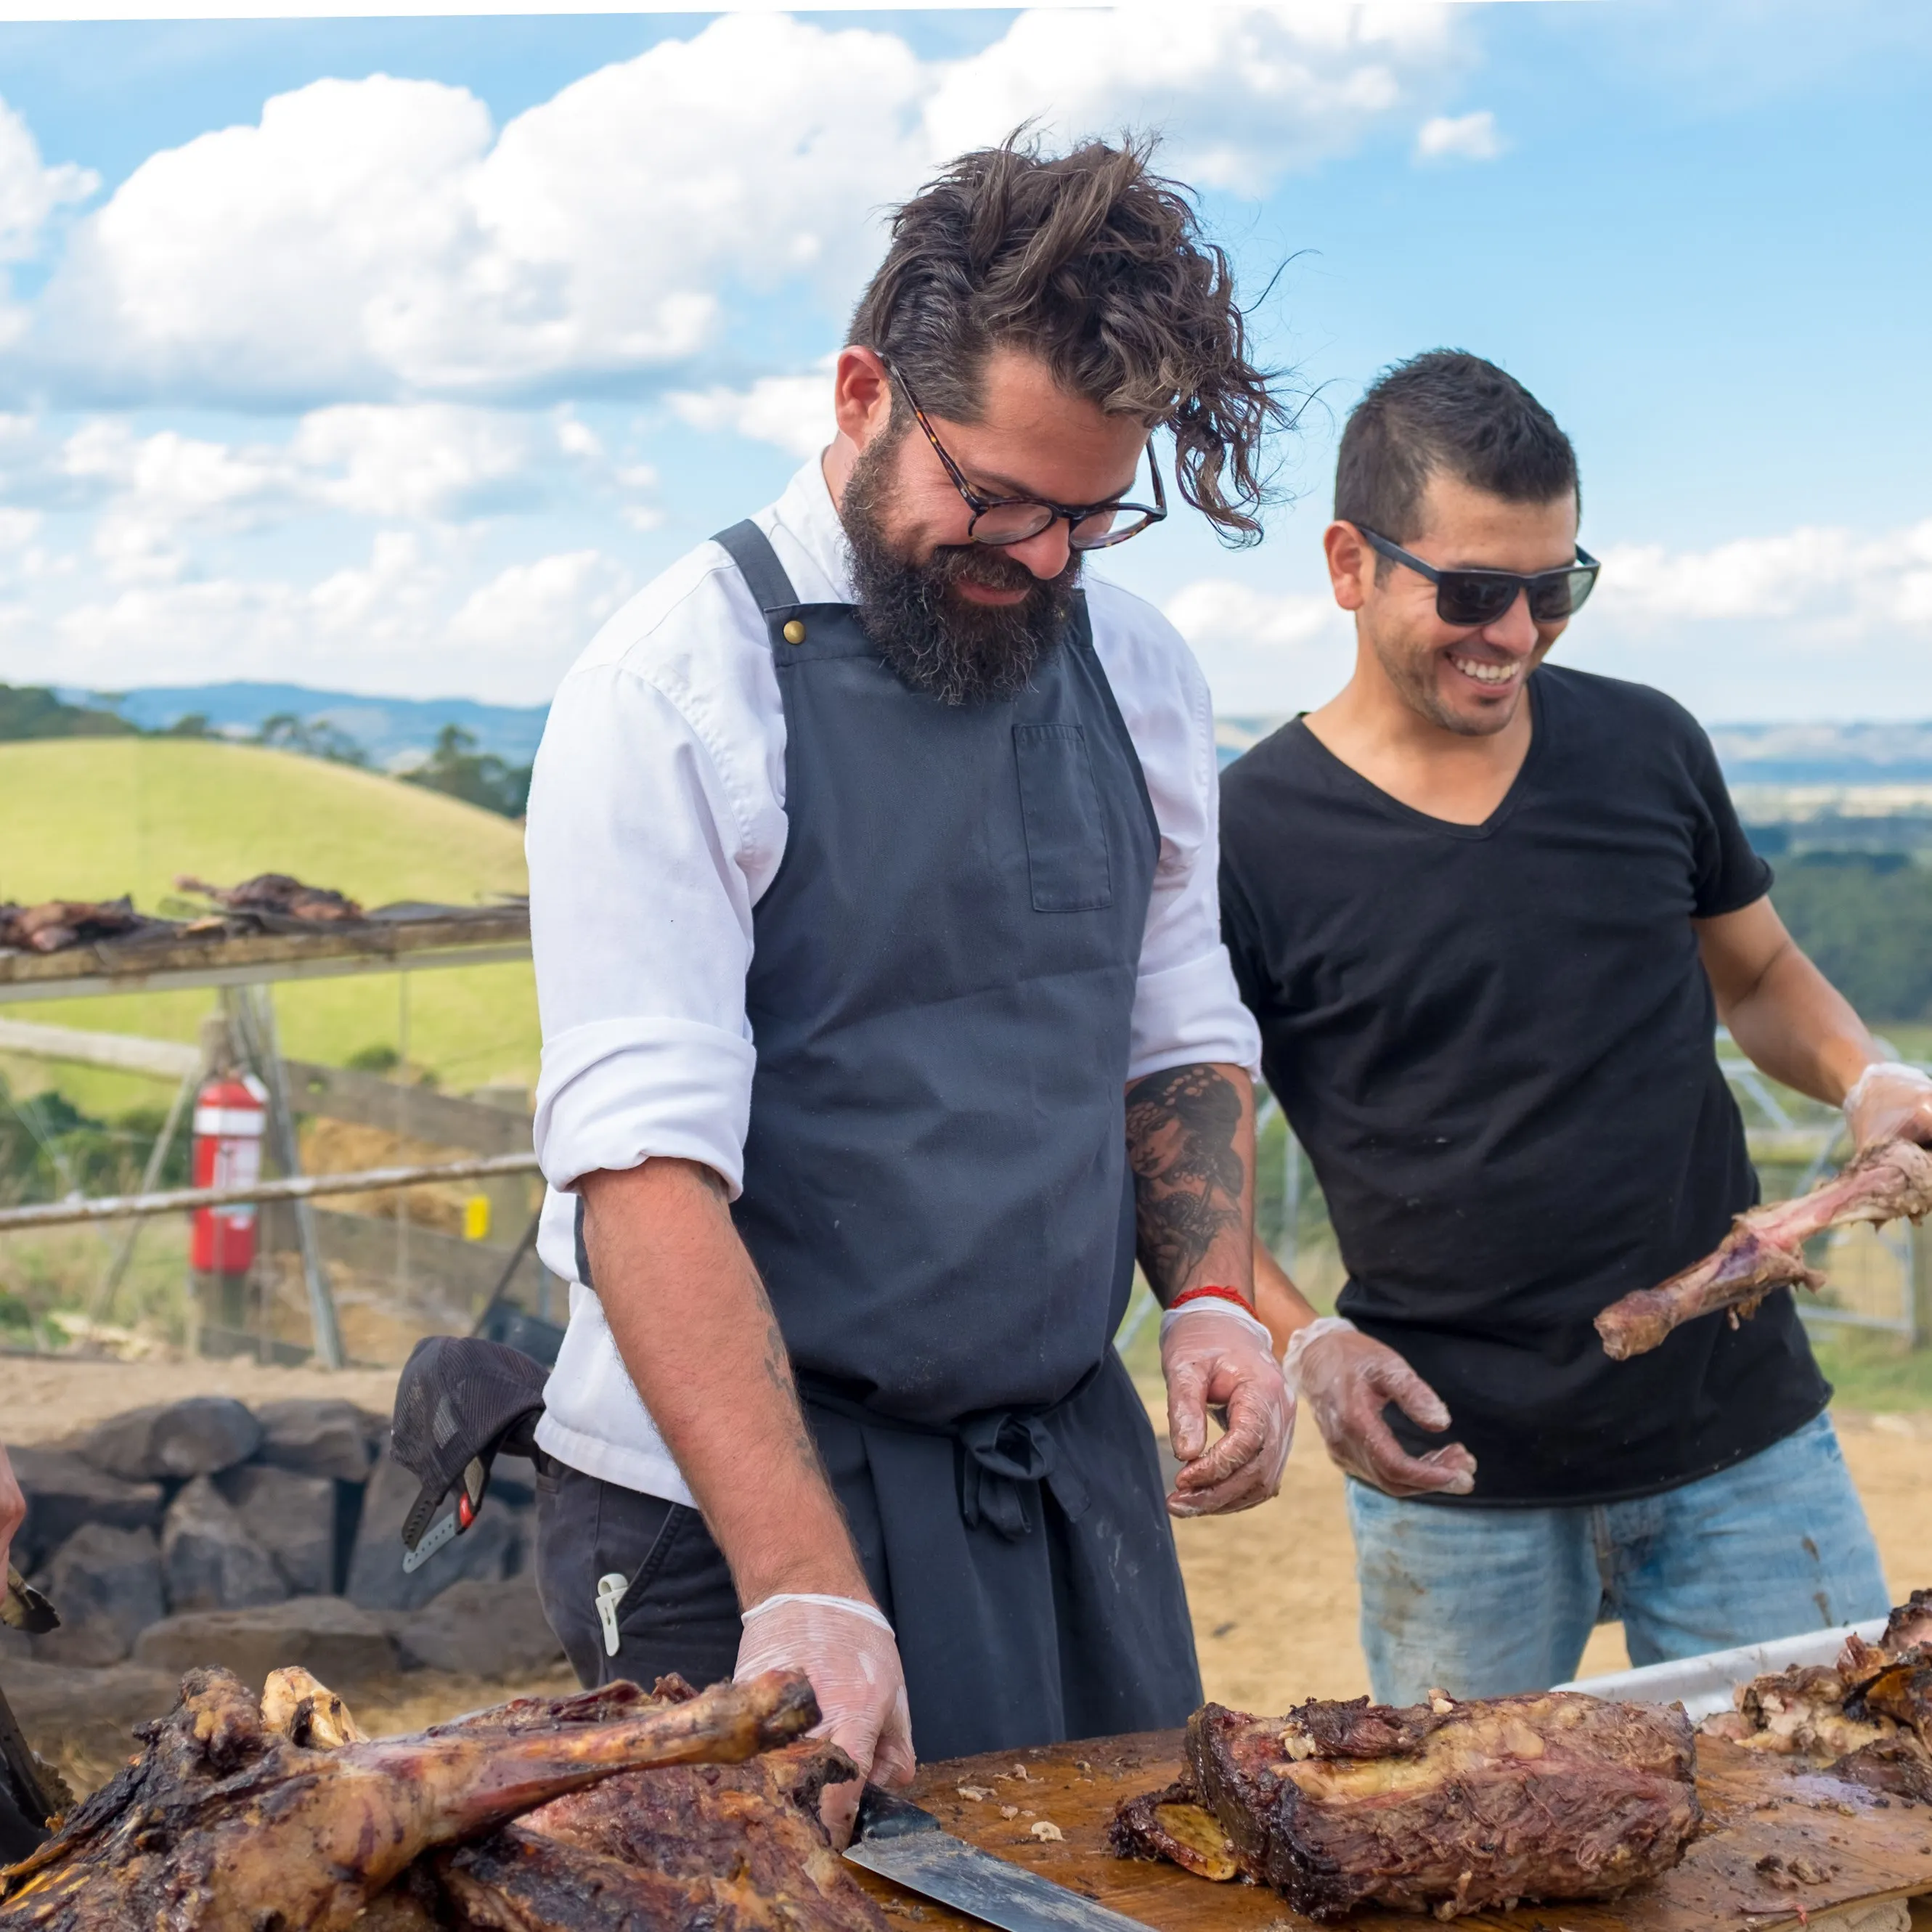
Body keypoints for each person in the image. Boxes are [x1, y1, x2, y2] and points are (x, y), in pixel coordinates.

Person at [523, 136, 1294, 1815]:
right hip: (729, 1500)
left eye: (1094, 513)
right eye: (998, 499)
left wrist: (1218, 1295)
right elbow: (639, 1173)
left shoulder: (1142, 666)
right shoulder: (673, 687)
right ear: (865, 390)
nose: (1042, 560)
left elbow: (1173, 1023)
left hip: (1049, 1469)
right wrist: (798, 1577)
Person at [1222, 349, 1925, 1705]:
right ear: (1347, 564)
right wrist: (1307, 1341)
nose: (1519, 633)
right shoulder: (1249, 834)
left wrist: (1867, 1075)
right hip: (1452, 1479)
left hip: (1747, 1438)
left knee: (1843, 1820)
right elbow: (1177, 1149)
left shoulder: (1647, 746)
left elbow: (1763, 972)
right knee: (1488, 1884)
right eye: (1475, 591)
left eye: (1556, 590)